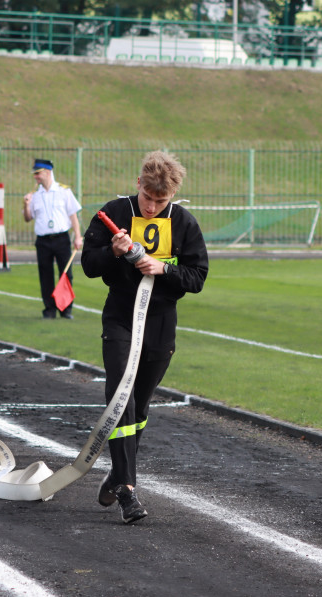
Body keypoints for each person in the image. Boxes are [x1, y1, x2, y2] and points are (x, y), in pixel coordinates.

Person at [81, 150, 209, 523]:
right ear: (138, 183)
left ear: (172, 196)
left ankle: (119, 474)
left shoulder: (184, 222)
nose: (152, 207)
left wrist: (163, 269)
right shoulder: (115, 211)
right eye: (148, 198)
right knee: (120, 395)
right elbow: (89, 265)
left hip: (160, 322)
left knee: (140, 404)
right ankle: (127, 491)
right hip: (121, 315)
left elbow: (197, 278)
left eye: (161, 201)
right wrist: (112, 252)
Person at [22, 158, 83, 319]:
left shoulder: (64, 191)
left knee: (66, 274)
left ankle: (65, 309)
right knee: (45, 274)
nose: (35, 177)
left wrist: (78, 236)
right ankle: (49, 310)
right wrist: (26, 205)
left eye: (38, 173)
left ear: (47, 172)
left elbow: (73, 215)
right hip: (43, 241)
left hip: (61, 238)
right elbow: (28, 218)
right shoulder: (34, 196)